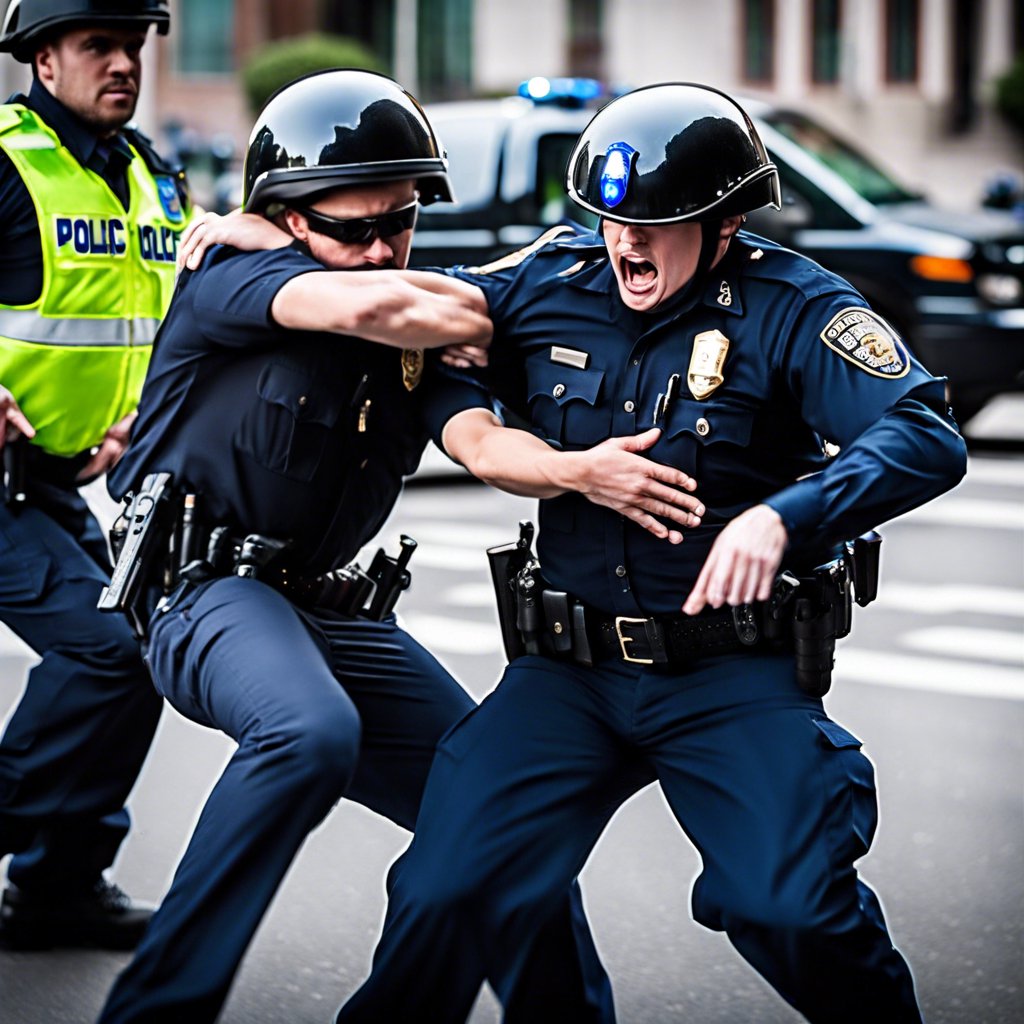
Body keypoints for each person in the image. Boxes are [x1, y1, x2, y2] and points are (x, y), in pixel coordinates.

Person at [325, 83, 969, 1022]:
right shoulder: (553, 279)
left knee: (788, 911)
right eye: (611, 215)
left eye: (657, 221)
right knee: (443, 893)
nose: (626, 241)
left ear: (726, 219)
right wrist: (506, 444)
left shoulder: (795, 307)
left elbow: (924, 433)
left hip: (728, 673)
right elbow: (418, 325)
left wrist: (785, 517)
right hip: (565, 675)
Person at [95, 68, 660, 1024]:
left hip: (324, 605)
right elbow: (381, 308)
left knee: (496, 805)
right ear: (283, 218)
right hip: (200, 593)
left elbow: (479, 439)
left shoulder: (412, 335)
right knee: (308, 734)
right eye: (352, 230)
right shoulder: (233, 274)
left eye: (398, 224)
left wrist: (574, 469)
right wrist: (456, 307)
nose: (381, 250)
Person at [0, 0, 190, 950]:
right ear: (43, 59)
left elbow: (176, 320)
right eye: (97, 47)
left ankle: (59, 885)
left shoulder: (154, 179)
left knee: (139, 649)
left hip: (53, 479)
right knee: (106, 652)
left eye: (134, 45)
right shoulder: (6, 160)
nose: (123, 63)